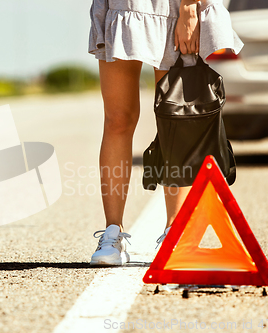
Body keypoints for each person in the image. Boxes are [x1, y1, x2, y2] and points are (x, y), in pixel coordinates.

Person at [88, 0, 243, 266]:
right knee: (118, 120)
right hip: (123, 6)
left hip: (172, 7)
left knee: (176, 121)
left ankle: (174, 232)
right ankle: (113, 233)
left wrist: (189, 8)